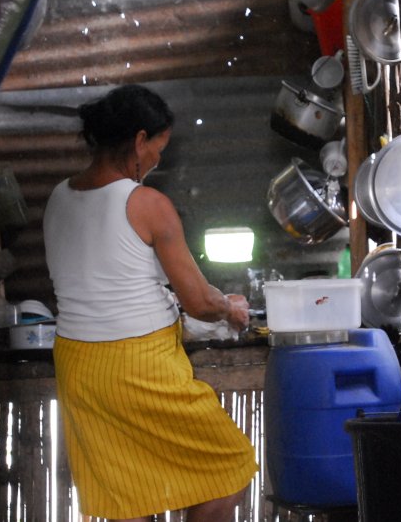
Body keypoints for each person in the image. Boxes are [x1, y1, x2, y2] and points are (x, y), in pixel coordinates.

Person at [43, 84, 256, 522]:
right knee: (229, 466)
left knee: (128, 494)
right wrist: (228, 307)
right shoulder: (147, 204)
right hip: (141, 366)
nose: (158, 160)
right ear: (139, 140)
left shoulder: (57, 198)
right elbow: (197, 302)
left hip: (80, 367)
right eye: (159, 148)